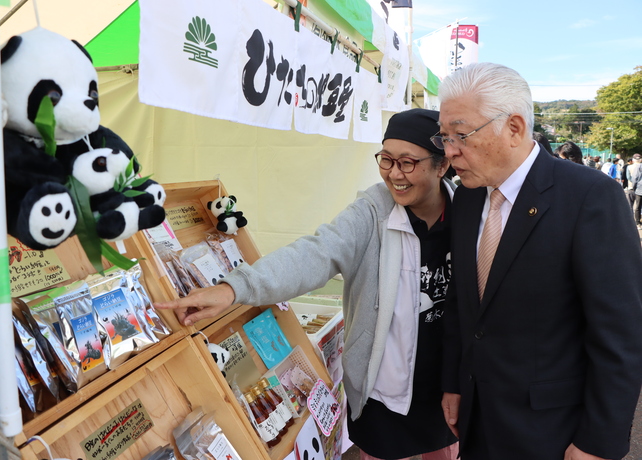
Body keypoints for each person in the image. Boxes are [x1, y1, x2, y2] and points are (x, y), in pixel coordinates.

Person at [156, 109, 459, 460]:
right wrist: (233, 288)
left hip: (445, 387)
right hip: (384, 391)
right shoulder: (371, 215)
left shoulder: (468, 214)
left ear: (442, 165)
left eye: (408, 163)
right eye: (386, 159)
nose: (394, 174)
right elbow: (314, 254)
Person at [433, 62, 642, 460]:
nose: (450, 151)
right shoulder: (467, 197)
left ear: (513, 127)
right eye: (444, 136)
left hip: (552, 431)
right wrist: (455, 383)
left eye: (462, 135)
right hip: (478, 418)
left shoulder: (589, 197)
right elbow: (462, 305)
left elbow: (620, 336)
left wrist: (597, 442)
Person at [629, 154, 642, 228]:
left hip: (639, 189)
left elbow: (635, 178)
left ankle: (638, 222)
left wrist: (634, 187)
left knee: (637, 206)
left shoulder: (638, 166)